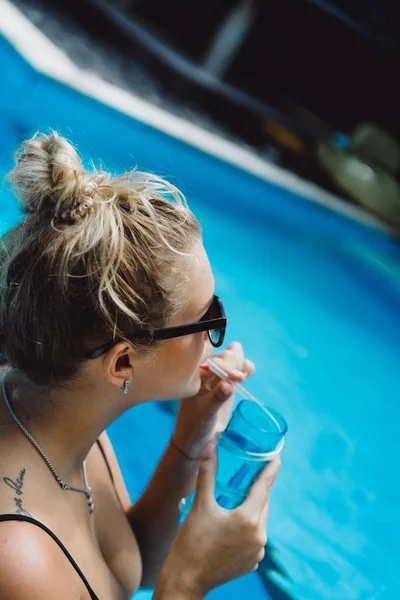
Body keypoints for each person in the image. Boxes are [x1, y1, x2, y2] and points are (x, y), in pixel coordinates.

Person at [0, 131, 280, 600]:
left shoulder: (62, 410)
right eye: (207, 318)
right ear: (123, 362)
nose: (217, 335)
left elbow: (131, 568)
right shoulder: (17, 558)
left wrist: (193, 432)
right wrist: (190, 579)